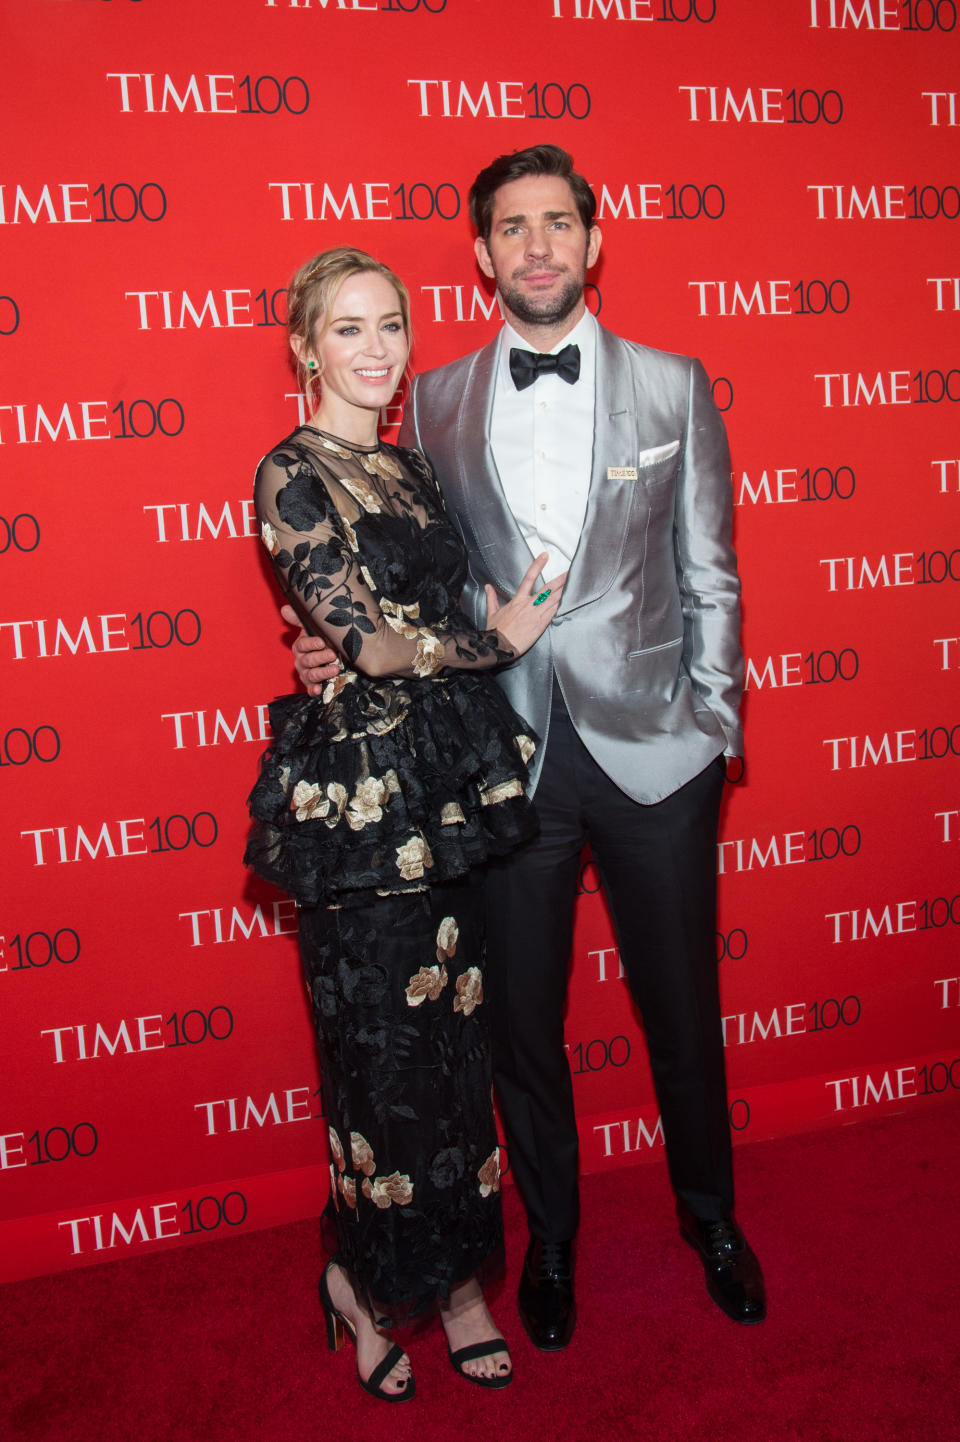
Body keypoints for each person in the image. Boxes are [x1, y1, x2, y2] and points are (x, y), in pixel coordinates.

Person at [290, 145, 766, 1352]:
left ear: (593, 243)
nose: (538, 246)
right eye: (514, 228)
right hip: (503, 754)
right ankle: (548, 1240)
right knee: (521, 1024)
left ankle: (709, 1216)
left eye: (559, 223)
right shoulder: (436, 399)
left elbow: (708, 566)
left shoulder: (672, 383)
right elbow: (406, 573)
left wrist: (717, 724)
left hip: (660, 751)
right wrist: (336, 648)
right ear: (483, 252)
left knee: (681, 1006)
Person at [246, 245, 566, 1399]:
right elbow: (368, 639)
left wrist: (501, 613)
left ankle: (466, 1281)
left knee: (459, 1048)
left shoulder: (413, 470)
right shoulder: (289, 473)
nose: (375, 349)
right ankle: (372, 1289)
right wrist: (500, 641)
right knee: (380, 1063)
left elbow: (422, 609)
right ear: (304, 346)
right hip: (364, 808)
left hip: (448, 790)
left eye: (390, 326)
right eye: (347, 329)